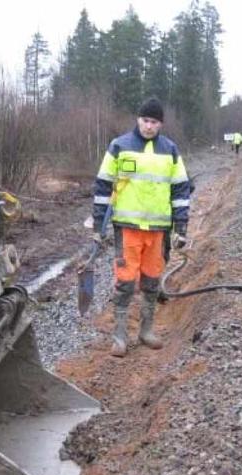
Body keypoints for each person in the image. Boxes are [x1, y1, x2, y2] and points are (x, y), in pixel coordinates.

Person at [92, 97, 191, 357]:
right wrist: (97, 223)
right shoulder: (119, 146)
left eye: (154, 122)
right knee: (125, 282)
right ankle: (120, 338)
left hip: (157, 231)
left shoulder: (170, 151)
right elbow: (103, 186)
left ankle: (146, 331)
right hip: (127, 229)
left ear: (161, 124)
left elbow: (181, 189)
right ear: (138, 120)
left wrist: (181, 226)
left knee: (151, 282)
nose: (149, 126)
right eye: (146, 120)